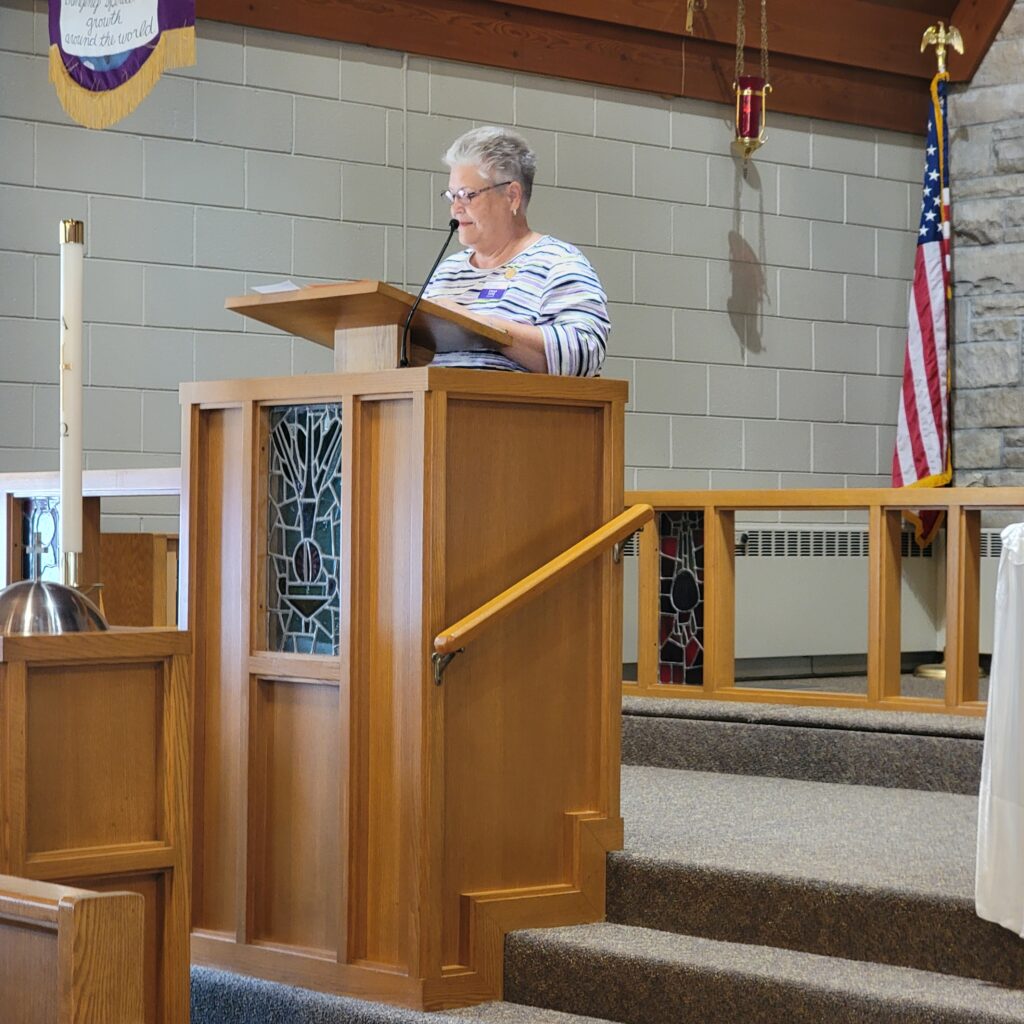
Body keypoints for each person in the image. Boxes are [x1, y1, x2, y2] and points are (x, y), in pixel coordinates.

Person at [423, 126, 610, 376]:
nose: (455, 208)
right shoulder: (447, 272)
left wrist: (475, 324)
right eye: (452, 195)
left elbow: (585, 353)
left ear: (512, 196)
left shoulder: (559, 263)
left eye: (468, 195)